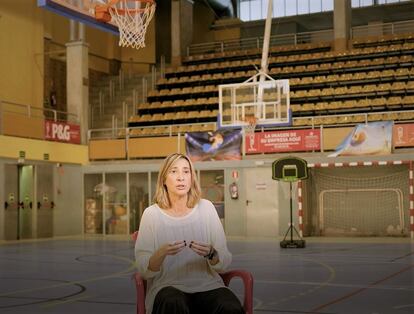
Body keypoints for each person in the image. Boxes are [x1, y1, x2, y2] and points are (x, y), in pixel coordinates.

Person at [135, 153, 244, 314]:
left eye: (186, 171)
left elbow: (224, 260)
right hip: (167, 287)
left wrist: (212, 253)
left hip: (207, 285)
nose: (181, 177)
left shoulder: (206, 208)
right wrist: (161, 253)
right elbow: (144, 270)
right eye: (174, 171)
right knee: (173, 304)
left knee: (229, 307)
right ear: (164, 180)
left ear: (192, 178)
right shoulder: (151, 214)